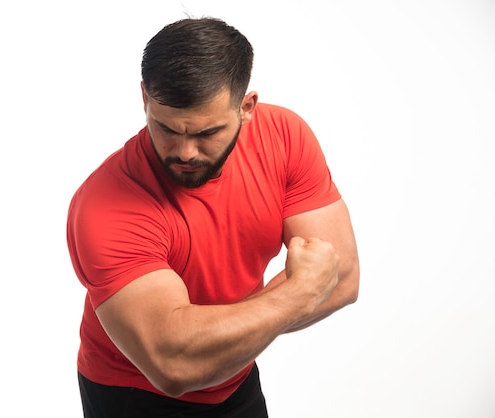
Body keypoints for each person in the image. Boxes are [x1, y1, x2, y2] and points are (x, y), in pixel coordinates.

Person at [66, 16, 359, 418]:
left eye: (206, 133)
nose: (185, 151)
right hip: (132, 392)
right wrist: (297, 293)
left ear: (247, 107)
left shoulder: (284, 137)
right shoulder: (105, 205)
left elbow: (341, 277)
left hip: (234, 377)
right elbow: (174, 365)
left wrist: (213, 340)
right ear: (145, 100)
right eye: (166, 128)